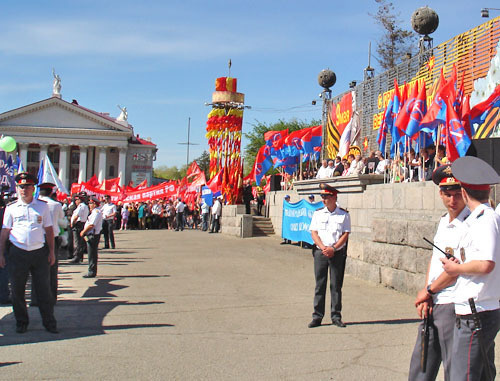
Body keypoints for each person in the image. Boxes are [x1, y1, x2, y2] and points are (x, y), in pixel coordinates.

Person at [440, 156, 500, 381]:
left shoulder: (484, 219)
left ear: (464, 192)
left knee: (462, 375)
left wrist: (457, 269)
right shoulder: (480, 219)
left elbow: (486, 264)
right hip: (476, 310)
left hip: (477, 313)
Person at [408, 165, 469, 381]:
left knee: (455, 371)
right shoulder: (444, 221)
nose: (453, 200)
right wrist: (428, 293)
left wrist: (428, 290)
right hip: (435, 300)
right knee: (421, 366)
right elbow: (435, 261)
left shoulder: (471, 224)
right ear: (440, 194)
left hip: (455, 304)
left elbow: (457, 268)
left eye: (456, 193)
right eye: (447, 194)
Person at [0, 173, 58, 334]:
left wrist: (52, 252)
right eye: (21, 186)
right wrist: (1, 254)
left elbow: (49, 230)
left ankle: (49, 322)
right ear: (17, 188)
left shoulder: (42, 206)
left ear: (33, 188)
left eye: (27, 186)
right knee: (17, 290)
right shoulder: (11, 208)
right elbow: (5, 232)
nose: (24, 189)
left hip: (39, 252)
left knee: (43, 290)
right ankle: (21, 322)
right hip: (18, 252)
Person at [308, 184, 350, 328]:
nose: (323, 199)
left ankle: (336, 316)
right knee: (320, 285)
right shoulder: (318, 213)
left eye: (326, 196)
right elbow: (314, 233)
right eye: (322, 197)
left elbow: (345, 234)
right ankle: (317, 316)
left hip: (336, 253)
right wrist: (323, 247)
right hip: (321, 252)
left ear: (334, 197)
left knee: (336, 285)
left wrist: (333, 248)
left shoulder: (344, 214)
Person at [32, 182, 65, 305]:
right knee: (52, 269)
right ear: (51, 192)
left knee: (35, 269)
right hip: (52, 238)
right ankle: (51, 298)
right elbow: (61, 218)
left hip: (37, 238)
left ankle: (35, 299)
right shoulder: (56, 205)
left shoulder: (34, 204)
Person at [80, 197, 103, 278]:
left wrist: (83, 231)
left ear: (94, 204)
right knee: (91, 253)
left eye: (90, 203)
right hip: (91, 234)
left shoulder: (96, 212)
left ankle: (91, 271)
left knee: (92, 253)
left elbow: (91, 225)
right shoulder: (94, 212)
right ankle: (91, 270)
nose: (89, 205)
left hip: (93, 235)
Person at [69, 192, 89, 264]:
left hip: (78, 224)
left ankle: (76, 256)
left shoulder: (81, 206)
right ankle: (80, 256)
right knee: (81, 242)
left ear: (79, 200)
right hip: (82, 224)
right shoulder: (86, 206)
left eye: (76, 200)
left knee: (76, 242)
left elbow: (76, 216)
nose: (75, 201)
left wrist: (72, 223)